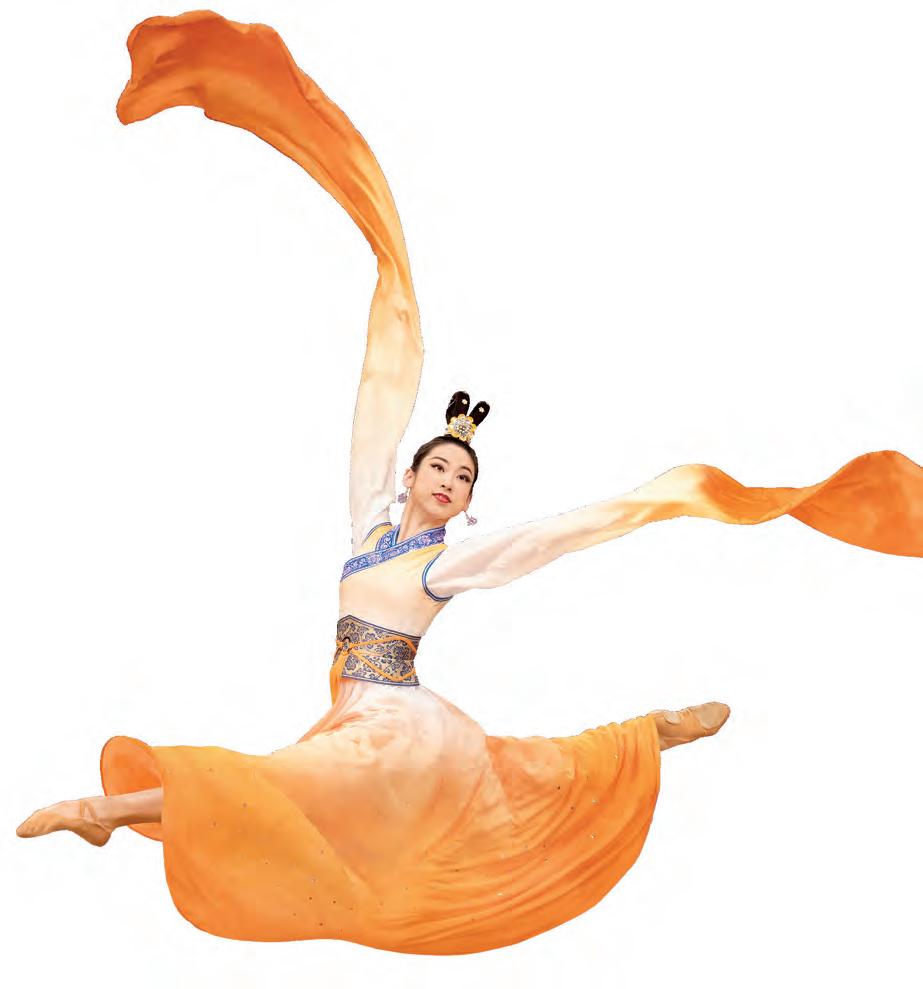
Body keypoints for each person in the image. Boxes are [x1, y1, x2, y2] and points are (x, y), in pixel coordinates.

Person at [16, 10, 922, 956]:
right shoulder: (370, 530)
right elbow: (377, 395)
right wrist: (391, 277)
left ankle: (103, 810)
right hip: (356, 715)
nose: (448, 481)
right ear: (411, 474)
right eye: (438, 467)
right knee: (444, 782)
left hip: (394, 729)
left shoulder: (445, 565)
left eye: (462, 477)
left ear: (467, 500)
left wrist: (668, 497)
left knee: (292, 785)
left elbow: (557, 535)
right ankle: (657, 729)